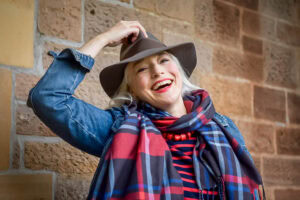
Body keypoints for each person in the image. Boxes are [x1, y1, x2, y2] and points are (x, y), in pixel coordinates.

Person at [27, 21, 265, 200]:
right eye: (142, 69)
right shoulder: (118, 129)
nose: (158, 71)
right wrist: (104, 38)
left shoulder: (223, 127)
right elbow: (48, 98)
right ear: (131, 88)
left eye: (163, 61)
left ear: (178, 70)